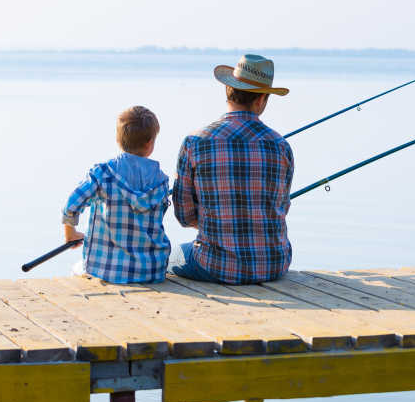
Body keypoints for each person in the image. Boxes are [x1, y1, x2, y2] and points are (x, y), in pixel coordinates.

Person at [171, 54, 293, 285]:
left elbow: (183, 215)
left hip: (214, 265)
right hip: (274, 264)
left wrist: (212, 220)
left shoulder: (195, 142)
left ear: (228, 90)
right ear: (261, 101)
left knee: (173, 254)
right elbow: (281, 208)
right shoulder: (281, 146)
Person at [62, 106, 171, 283]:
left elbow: (71, 206)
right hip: (151, 270)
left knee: (76, 269)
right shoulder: (161, 181)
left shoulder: (102, 174)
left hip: (105, 270)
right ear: (150, 144)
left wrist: (71, 233)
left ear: (118, 140)